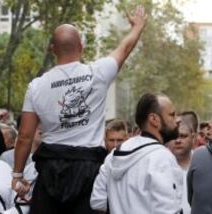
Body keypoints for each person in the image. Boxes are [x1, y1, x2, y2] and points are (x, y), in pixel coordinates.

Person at [12, 5, 147, 214]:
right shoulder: (98, 73)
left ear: (52, 49)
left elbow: (24, 136)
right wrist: (137, 27)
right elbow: (125, 48)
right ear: (81, 47)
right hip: (88, 171)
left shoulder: (36, 86)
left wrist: (18, 175)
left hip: (50, 171)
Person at [90, 93, 182, 213]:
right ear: (154, 119)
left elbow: (98, 201)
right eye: (172, 115)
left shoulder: (113, 155)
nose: (177, 120)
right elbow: (168, 210)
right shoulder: (162, 157)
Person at [166, 120, 194, 214]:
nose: (178, 141)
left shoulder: (203, 164)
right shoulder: (159, 165)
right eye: (174, 137)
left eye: (183, 136)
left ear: (193, 137)